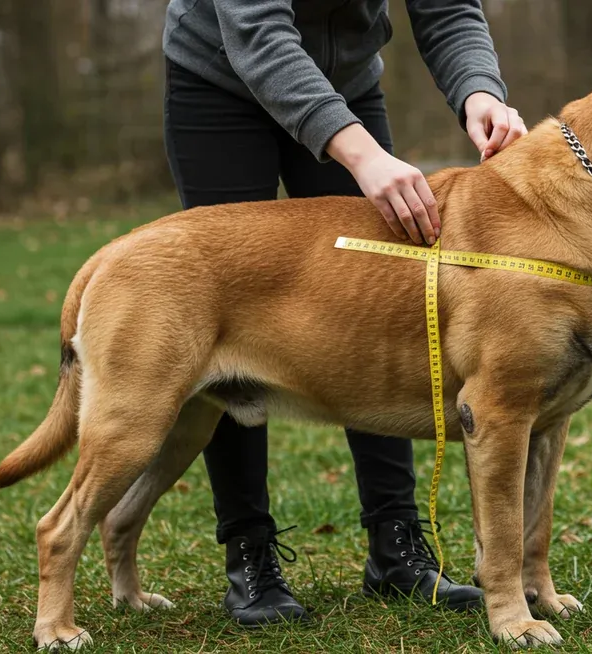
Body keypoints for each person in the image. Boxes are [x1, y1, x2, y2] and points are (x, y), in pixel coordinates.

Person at [161, 0, 527, 626]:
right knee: (229, 310)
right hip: (221, 79)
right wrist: (361, 155)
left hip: (348, 80)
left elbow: (448, 10)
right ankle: (249, 552)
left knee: (379, 304)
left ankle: (396, 545)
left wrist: (478, 92)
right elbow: (258, 32)